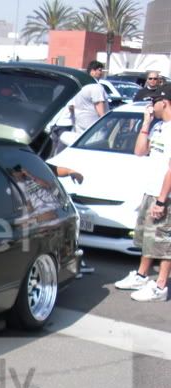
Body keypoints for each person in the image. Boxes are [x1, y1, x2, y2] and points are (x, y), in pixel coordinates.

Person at [114, 84, 171, 301]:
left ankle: (161, 286)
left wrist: (162, 200)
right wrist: (146, 123)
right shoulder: (159, 127)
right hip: (151, 191)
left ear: (164, 102)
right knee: (148, 239)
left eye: (153, 101)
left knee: (163, 241)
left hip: (164, 195)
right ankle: (141, 275)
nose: (150, 105)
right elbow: (139, 151)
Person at [68, 61, 107, 134]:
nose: (101, 73)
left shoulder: (79, 86)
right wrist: (105, 123)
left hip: (79, 126)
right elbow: (100, 109)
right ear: (92, 71)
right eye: (99, 70)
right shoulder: (96, 87)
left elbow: (71, 107)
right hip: (94, 128)